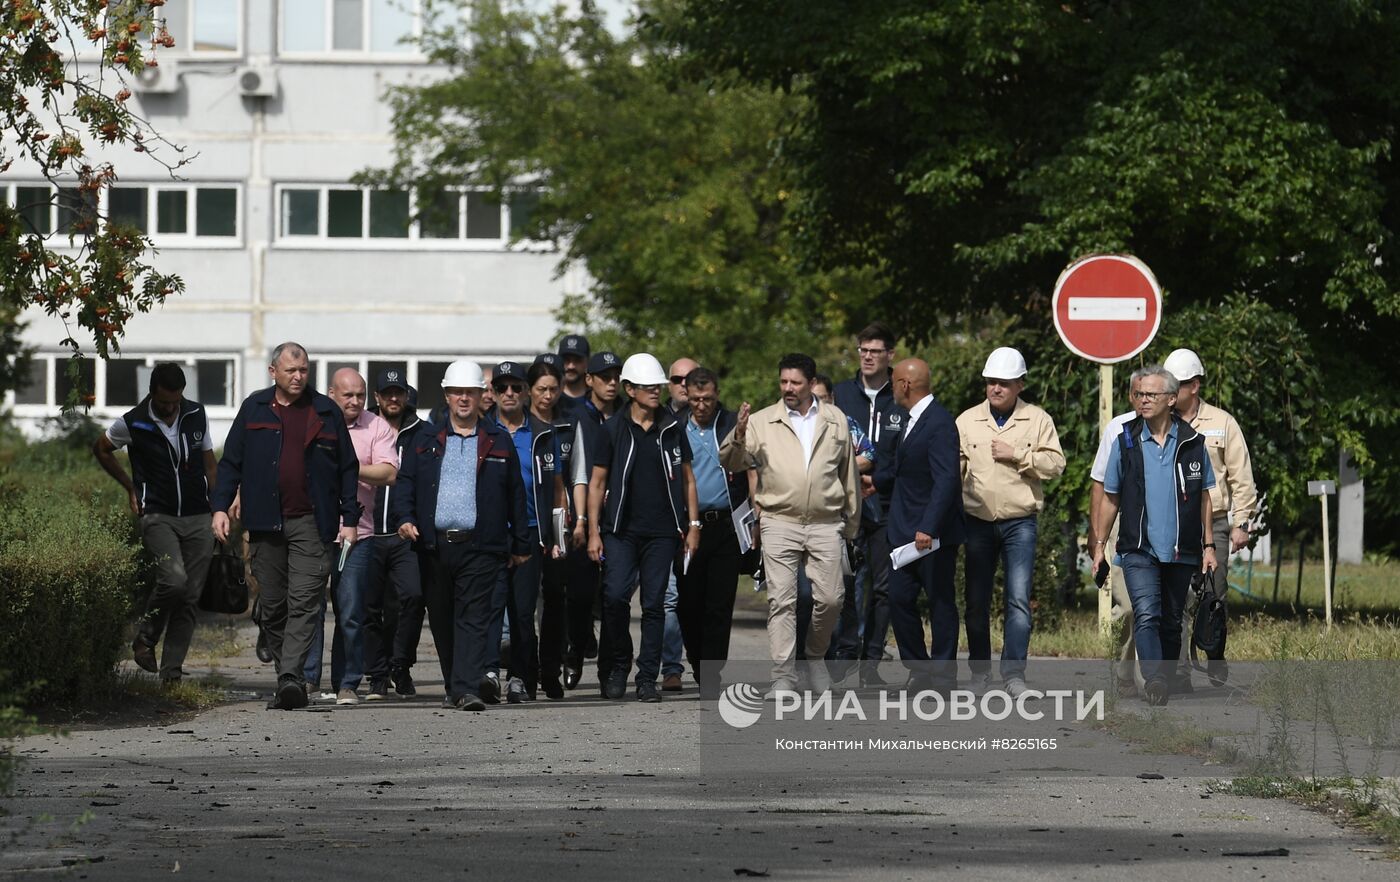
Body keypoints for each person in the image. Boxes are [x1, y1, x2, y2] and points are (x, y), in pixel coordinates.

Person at [211, 342, 359, 711]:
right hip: (265, 522)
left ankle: (292, 678)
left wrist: (351, 520)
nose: (298, 377)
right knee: (274, 606)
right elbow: (231, 463)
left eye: (304, 370)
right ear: (273, 371)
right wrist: (220, 509)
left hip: (312, 521)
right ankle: (287, 675)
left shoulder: (326, 411)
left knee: (306, 602)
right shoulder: (254, 408)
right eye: (291, 370)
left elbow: (347, 469)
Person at [393, 360, 530, 711]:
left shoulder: (497, 440)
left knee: (473, 618)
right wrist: (405, 518)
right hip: (434, 545)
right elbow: (406, 483)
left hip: (481, 545)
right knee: (441, 618)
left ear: (482, 395)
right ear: (447, 395)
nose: (464, 399)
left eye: (470, 392)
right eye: (457, 392)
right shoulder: (426, 439)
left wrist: (520, 544)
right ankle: (456, 683)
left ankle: (466, 688)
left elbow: (516, 492)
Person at [720, 353, 861, 694]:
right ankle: (783, 676)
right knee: (781, 601)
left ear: (812, 384)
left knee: (830, 600)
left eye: (795, 382)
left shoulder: (835, 419)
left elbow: (849, 475)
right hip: (778, 521)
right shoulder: (762, 420)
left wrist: (852, 526)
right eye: (783, 381)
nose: (788, 388)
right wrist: (738, 433)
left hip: (826, 523)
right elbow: (732, 460)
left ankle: (813, 657)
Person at [1091, 365, 1218, 706]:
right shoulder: (1126, 440)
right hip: (1138, 547)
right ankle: (1155, 679)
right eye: (1139, 394)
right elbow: (1111, 496)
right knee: (1146, 612)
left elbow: (1206, 495)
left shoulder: (1193, 442)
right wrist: (1100, 545)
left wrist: (1208, 545)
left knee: (1172, 620)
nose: (1143, 400)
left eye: (1151, 395)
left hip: (1181, 548)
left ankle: (1163, 674)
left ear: (1172, 399)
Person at [93, 363, 216, 684]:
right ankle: (146, 637)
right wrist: (129, 486)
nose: (171, 409)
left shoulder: (195, 414)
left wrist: (220, 504)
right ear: (152, 394)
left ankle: (171, 675)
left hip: (199, 514)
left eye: (176, 402)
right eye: (164, 403)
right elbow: (102, 448)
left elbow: (209, 462)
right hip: (158, 514)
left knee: (190, 596)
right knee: (174, 580)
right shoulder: (134, 422)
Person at [586, 353, 700, 702]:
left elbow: (687, 480)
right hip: (620, 530)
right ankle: (618, 664)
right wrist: (593, 531)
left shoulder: (672, 428)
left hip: (663, 531)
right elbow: (597, 483)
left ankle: (647, 676)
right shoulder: (613, 429)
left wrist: (692, 525)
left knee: (654, 605)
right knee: (616, 596)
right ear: (630, 389)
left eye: (658, 385)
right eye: (648, 386)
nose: (656, 391)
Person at [955, 347, 1064, 695]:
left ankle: (1014, 674)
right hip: (977, 520)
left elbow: (1055, 466)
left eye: (1003, 383)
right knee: (976, 600)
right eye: (990, 382)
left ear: (1020, 384)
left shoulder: (1038, 419)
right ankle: (979, 673)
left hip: (1020, 522)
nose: (996, 389)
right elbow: (952, 470)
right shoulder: (967, 420)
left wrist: (1017, 454)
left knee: (1018, 599)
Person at [302, 369, 398, 705]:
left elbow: (388, 472)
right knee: (310, 607)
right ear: (332, 394)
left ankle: (347, 682)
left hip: (360, 533)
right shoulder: (314, 420)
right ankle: (307, 678)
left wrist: (345, 466)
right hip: (315, 529)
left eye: (360, 395)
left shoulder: (377, 426)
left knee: (351, 609)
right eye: (348, 395)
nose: (355, 401)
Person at [875, 359, 965, 690]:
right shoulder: (912, 421)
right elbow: (905, 470)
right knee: (899, 598)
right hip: (903, 531)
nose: (893, 388)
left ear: (905, 385)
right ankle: (918, 669)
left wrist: (929, 526)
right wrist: (874, 481)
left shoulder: (939, 422)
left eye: (894, 382)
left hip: (932, 534)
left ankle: (942, 677)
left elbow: (946, 481)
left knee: (940, 601)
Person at [484, 360, 568, 703]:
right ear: (492, 392)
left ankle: (519, 677)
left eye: (515, 387)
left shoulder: (542, 434)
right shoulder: (483, 431)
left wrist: (557, 536)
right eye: (502, 387)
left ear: (525, 391)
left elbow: (558, 489)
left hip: (532, 533)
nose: (509, 393)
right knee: (491, 607)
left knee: (522, 611)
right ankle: (488, 672)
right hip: (490, 534)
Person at [671, 367, 753, 698]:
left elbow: (751, 466)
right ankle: (696, 657)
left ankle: (712, 672)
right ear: (686, 397)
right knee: (688, 603)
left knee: (719, 603)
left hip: (726, 526)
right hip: (688, 526)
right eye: (695, 399)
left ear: (717, 395)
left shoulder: (732, 422)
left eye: (707, 399)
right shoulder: (674, 428)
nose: (701, 406)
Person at [832, 322, 906, 686]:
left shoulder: (902, 394)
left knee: (883, 587)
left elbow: (906, 448)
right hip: (845, 504)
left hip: (888, 505)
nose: (867, 357)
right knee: (842, 581)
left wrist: (878, 480)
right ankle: (845, 649)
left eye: (875, 351)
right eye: (862, 350)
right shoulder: (841, 394)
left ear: (890, 355)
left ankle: (870, 662)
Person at [364, 373, 434, 700]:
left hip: (406, 534)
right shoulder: (363, 428)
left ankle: (400, 664)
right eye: (387, 393)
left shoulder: (422, 434)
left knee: (413, 597)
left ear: (406, 396)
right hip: (367, 532)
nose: (393, 399)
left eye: (399, 393)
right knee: (370, 607)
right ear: (377, 396)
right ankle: (376, 674)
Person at [800, 374, 875, 668]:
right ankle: (808, 656)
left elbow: (869, 453)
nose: (817, 403)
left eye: (822, 398)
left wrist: (835, 464)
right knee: (805, 595)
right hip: (800, 523)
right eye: (812, 398)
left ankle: (843, 652)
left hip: (840, 522)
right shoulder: (795, 428)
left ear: (832, 398)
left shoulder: (844, 424)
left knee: (841, 590)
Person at [528, 358, 589, 699]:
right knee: (523, 602)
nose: (548, 396)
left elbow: (577, 474)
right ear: (529, 390)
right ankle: (524, 668)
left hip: (559, 525)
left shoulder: (569, 424)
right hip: (527, 521)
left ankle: (550, 670)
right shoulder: (522, 424)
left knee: (554, 599)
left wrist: (579, 520)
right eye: (541, 389)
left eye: (553, 389)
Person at [660, 356, 700, 690]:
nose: (684, 386)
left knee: (699, 599)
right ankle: (671, 667)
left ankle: (703, 663)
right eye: (677, 379)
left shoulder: (714, 418)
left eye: (691, 379)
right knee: (668, 597)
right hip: (665, 522)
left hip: (703, 521)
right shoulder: (656, 418)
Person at [558, 335, 591, 408]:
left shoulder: (596, 399)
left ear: (587, 362)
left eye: (577, 360)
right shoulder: (550, 398)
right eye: (566, 360)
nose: (571, 366)